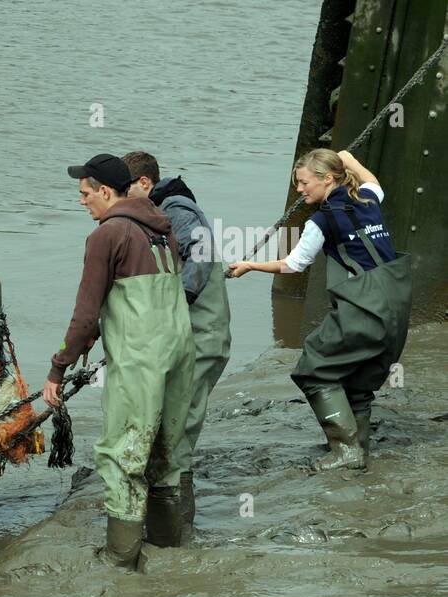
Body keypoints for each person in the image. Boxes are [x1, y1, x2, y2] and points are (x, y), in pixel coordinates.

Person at [43, 154, 195, 570]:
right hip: (180, 354)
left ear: (106, 192)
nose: (82, 201)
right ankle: (167, 549)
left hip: (140, 360)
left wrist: (58, 367)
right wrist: (96, 331)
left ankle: (121, 557)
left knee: (122, 454)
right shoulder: (163, 229)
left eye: (85, 193)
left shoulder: (107, 234)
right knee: (166, 453)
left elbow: (85, 313)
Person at [229, 149, 411, 470]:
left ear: (327, 179)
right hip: (397, 306)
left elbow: (293, 264)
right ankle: (359, 447)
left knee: (313, 369)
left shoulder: (321, 220)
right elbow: (373, 182)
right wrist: (351, 160)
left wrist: (250, 265)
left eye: (303, 182)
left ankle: (346, 451)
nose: (299, 190)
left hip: (365, 306)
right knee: (358, 383)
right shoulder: (368, 200)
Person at [122, 152, 230, 541]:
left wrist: (176, 303)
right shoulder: (161, 211)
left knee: (179, 427)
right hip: (187, 336)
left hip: (202, 336)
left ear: (145, 184)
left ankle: (176, 528)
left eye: (125, 190)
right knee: (173, 424)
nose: (122, 199)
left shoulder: (178, 209)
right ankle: (170, 522)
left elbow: (199, 255)